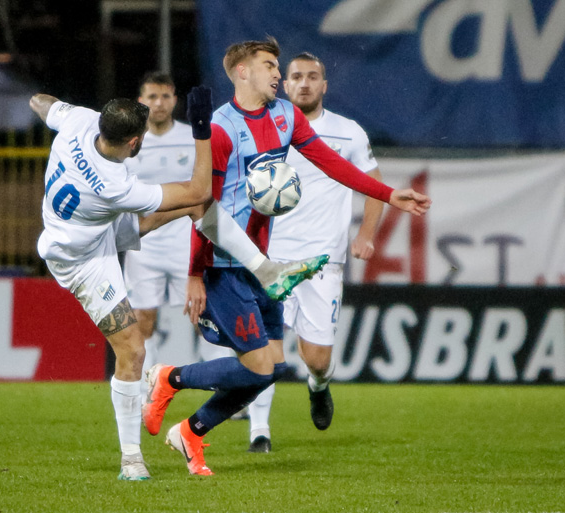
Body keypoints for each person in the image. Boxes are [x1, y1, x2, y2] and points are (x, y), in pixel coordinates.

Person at [142, 37, 431, 475]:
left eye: (278, 66)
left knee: (274, 367)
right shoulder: (221, 128)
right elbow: (204, 206)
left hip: (264, 262)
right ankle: (169, 378)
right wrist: (195, 273)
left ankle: (189, 432)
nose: (278, 73)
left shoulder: (285, 116)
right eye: (269, 66)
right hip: (224, 265)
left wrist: (389, 194)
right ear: (242, 72)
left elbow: (332, 163)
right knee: (259, 368)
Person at [31, 86, 326, 481]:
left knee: (196, 207)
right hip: (82, 259)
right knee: (133, 349)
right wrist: (202, 130)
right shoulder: (115, 184)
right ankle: (131, 459)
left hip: (92, 225)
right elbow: (199, 188)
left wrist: (52, 107)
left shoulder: (78, 123)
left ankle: (266, 270)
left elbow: (41, 102)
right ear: (135, 142)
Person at [245, 52, 387, 453]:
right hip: (270, 258)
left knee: (318, 358)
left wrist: (366, 235)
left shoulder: (348, 133)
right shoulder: (264, 128)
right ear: (285, 84)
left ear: (324, 85)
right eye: (296, 76)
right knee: (266, 350)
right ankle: (259, 432)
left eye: (312, 77)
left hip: (324, 260)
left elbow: (375, 185)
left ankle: (318, 385)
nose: (304, 83)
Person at [121, 72, 198, 400]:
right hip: (144, 245)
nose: (159, 103)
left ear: (175, 100)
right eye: (152, 97)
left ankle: (224, 389)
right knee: (143, 318)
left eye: (165, 96)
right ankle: (144, 391)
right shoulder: (130, 141)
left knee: (203, 317)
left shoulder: (192, 138)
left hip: (185, 242)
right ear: (141, 101)